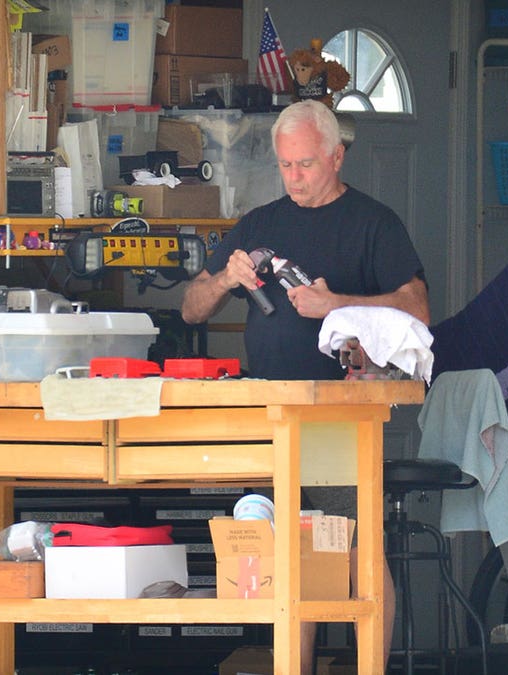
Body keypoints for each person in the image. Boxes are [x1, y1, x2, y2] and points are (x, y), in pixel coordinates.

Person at [182, 99, 430, 672]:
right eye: (286, 166)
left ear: (336, 157)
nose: (295, 178)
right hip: (269, 413)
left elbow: (417, 306)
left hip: (340, 417)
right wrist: (225, 278)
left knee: (354, 551)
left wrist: (334, 303)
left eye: (307, 165)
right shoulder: (260, 224)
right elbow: (192, 310)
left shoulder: (374, 222)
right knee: (286, 554)